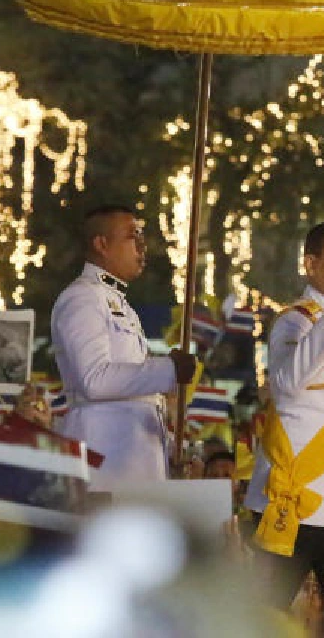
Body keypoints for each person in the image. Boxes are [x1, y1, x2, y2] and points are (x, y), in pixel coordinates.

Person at [246, 219, 324, 637]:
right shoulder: (295, 322)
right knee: (264, 619)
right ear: (311, 264)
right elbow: (284, 384)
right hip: (295, 503)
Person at [51, 204, 196, 487]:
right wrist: (168, 370)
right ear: (102, 244)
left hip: (132, 463)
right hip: (104, 460)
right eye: (132, 236)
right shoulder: (82, 297)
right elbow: (94, 379)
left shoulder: (121, 305)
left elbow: (137, 397)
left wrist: (169, 449)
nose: (142, 245)